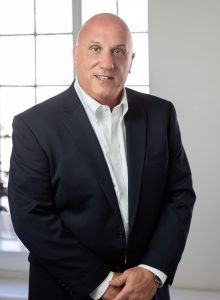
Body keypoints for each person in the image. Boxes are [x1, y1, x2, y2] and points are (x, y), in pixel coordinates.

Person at [8, 13, 196, 300]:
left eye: (118, 51)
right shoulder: (34, 125)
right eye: (95, 49)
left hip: (145, 290)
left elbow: (179, 194)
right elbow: (31, 217)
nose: (107, 63)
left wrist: (152, 270)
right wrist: (101, 282)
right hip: (66, 290)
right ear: (75, 55)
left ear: (131, 60)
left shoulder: (161, 114)